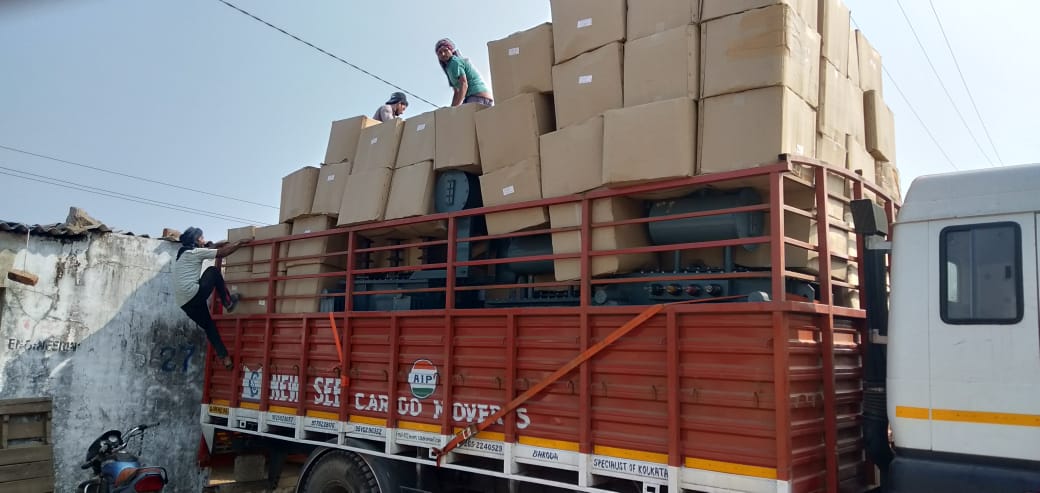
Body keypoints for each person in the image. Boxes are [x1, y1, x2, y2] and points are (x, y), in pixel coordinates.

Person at [173, 227, 249, 370]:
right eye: (202, 237)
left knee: (209, 326)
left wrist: (218, 244)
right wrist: (239, 243)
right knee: (213, 271)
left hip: (184, 303)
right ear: (197, 240)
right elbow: (221, 253)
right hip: (193, 293)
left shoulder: (183, 254)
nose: (204, 239)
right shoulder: (194, 253)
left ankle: (225, 358)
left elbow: (210, 248)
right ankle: (228, 302)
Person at [435, 38, 493, 107]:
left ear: (451, 50)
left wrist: (456, 107)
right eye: (440, 53)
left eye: (445, 50)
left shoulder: (454, 62)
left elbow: (464, 84)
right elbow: (457, 92)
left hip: (477, 97)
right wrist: (452, 109)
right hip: (480, 98)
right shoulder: (448, 68)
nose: (443, 54)